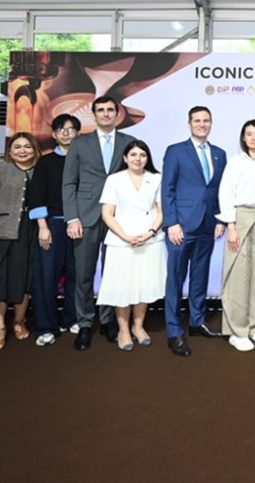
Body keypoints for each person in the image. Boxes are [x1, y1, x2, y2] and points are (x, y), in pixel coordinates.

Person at [62, 96, 135, 350]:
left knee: (113, 273)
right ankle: (84, 323)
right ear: (93, 115)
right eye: (101, 110)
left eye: (110, 110)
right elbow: (69, 183)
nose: (105, 114)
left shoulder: (129, 142)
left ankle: (107, 320)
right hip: (86, 216)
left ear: (117, 113)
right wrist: (72, 218)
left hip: (118, 217)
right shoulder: (79, 143)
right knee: (84, 274)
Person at [162, 106, 226, 357]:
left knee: (200, 276)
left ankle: (197, 322)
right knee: (175, 279)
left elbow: (219, 190)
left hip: (208, 226)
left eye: (206, 120)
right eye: (197, 120)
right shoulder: (175, 151)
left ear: (211, 123)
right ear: (189, 124)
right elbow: (167, 188)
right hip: (181, 226)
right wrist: (171, 223)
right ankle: (174, 331)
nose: (202, 124)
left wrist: (220, 218)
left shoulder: (219, 154)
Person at [0, 132, 42, 352]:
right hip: (2, 231)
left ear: (35, 149)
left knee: (25, 277)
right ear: (9, 151)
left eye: (27, 146)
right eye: (17, 147)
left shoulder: (41, 169)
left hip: (32, 231)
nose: (23, 151)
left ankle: (19, 321)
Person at [97, 141, 166, 352]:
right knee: (123, 285)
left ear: (148, 158)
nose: (138, 158)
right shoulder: (114, 180)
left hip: (149, 239)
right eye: (133, 154)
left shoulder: (156, 178)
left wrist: (150, 232)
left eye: (142, 155)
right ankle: (123, 330)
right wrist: (125, 237)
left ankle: (138, 326)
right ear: (125, 158)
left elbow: (162, 211)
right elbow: (107, 213)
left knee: (143, 283)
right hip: (121, 240)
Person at [216, 119, 255, 352]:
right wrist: (231, 225)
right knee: (238, 276)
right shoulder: (236, 162)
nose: (253, 137)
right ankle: (236, 330)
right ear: (243, 138)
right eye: (248, 134)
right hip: (240, 219)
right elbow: (225, 192)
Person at [27, 114, 80, 347]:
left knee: (77, 275)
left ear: (78, 134)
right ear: (54, 135)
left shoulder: (85, 162)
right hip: (52, 225)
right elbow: (36, 195)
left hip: (79, 225)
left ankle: (72, 318)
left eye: (71, 129)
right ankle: (45, 326)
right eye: (61, 130)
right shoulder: (45, 162)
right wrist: (43, 227)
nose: (66, 133)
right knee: (46, 277)